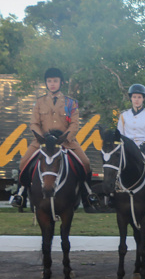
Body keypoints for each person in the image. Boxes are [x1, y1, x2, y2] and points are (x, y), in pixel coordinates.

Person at [9, 67, 100, 211]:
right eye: (49, 81)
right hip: (43, 141)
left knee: (86, 163)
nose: (52, 84)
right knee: (23, 162)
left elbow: (74, 124)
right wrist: (42, 138)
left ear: (61, 83)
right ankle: (21, 195)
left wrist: (64, 138)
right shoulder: (39, 102)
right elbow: (34, 124)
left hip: (65, 141)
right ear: (46, 83)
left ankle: (87, 196)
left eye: (55, 81)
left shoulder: (71, 103)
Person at [117, 84, 145, 163]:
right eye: (134, 97)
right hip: (128, 148)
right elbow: (120, 133)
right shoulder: (124, 115)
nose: (136, 100)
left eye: (139, 97)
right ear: (131, 98)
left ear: (143, 98)